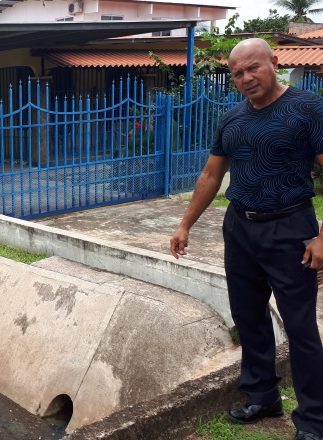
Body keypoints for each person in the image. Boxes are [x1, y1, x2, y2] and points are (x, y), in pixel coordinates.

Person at [169, 38, 323, 440]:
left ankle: (314, 419)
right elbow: (210, 175)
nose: (246, 78)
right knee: (249, 317)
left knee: (301, 326)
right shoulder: (232, 118)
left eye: (253, 68)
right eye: (238, 73)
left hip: (291, 228)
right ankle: (262, 396)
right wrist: (186, 224)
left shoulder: (309, 108)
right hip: (240, 228)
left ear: (274, 62)